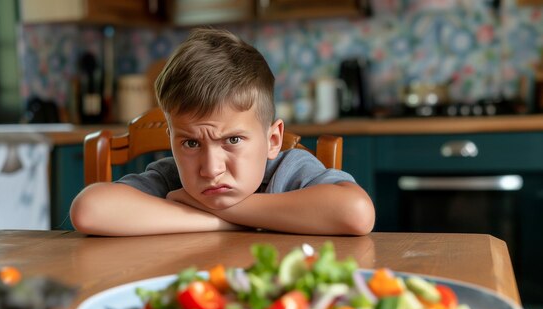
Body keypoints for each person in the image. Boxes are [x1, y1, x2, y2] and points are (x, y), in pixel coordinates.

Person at [70, 28, 375, 236]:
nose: (210, 168)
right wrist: (219, 221)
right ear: (172, 142)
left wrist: (233, 209)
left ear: (272, 140)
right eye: (190, 143)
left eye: (232, 140)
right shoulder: (170, 177)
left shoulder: (290, 170)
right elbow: (89, 210)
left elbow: (358, 213)